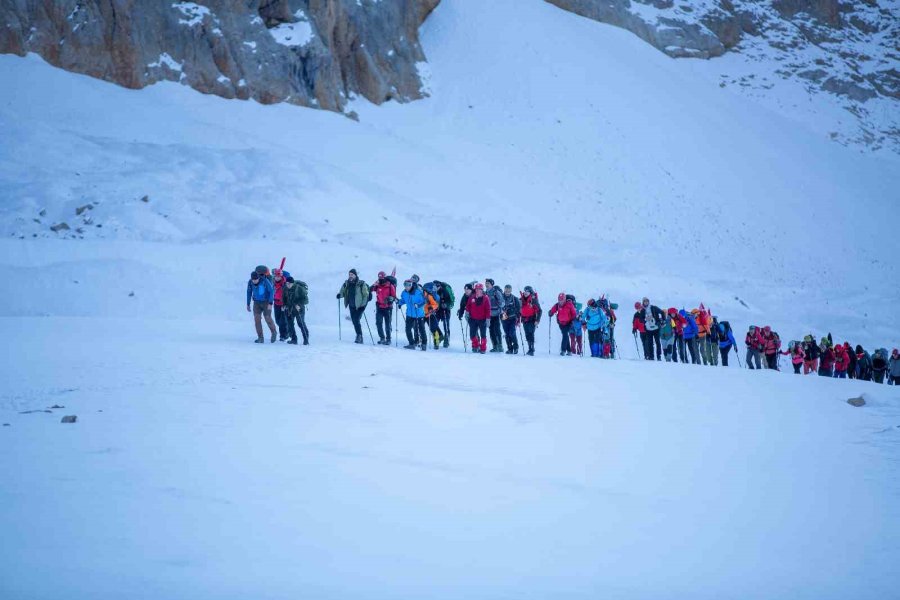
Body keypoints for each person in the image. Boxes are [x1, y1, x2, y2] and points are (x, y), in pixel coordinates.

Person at [336, 269, 370, 344]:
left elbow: (366, 295)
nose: (350, 276)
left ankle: (359, 336)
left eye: (352, 274)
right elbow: (343, 292)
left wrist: (363, 305)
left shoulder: (361, 284)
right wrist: (339, 295)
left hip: (360, 306)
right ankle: (359, 335)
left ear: (355, 275)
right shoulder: (346, 283)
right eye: (349, 274)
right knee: (354, 321)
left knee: (356, 320)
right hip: (351, 306)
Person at [246, 270, 276, 343]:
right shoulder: (250, 282)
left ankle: (274, 332)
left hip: (266, 302)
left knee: (267, 317)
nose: (255, 281)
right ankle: (260, 337)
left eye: (256, 279)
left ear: (258, 278)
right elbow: (249, 292)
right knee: (257, 319)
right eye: (253, 280)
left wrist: (270, 302)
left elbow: (271, 291)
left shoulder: (265, 281)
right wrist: (248, 304)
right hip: (256, 303)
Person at [398, 279, 427, 350]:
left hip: (419, 314)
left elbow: (424, 301)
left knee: (421, 329)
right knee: (407, 329)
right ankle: (412, 343)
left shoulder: (418, 292)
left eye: (408, 285)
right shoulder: (404, 293)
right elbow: (403, 300)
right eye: (405, 285)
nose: (406, 287)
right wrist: (399, 303)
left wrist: (418, 305)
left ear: (411, 285)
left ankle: (424, 344)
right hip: (409, 314)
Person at [369, 271, 396, 345]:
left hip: (388, 307)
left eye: (382, 278)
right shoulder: (377, 285)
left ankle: (388, 339)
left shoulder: (390, 286)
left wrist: (390, 299)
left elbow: (394, 297)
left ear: (385, 278)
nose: (380, 279)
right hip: (379, 307)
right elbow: (370, 289)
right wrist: (375, 284)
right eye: (379, 278)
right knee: (378, 323)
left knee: (387, 324)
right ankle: (382, 338)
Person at [465, 283, 492, 354]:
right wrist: (467, 313)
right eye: (476, 289)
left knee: (483, 335)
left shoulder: (486, 298)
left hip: (482, 319)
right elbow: (468, 306)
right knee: (472, 335)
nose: (478, 290)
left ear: (482, 290)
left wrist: (488, 319)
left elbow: (488, 309)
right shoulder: (472, 297)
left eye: (479, 289)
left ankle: (483, 348)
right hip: (473, 319)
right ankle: (475, 346)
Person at [283, 276, 310, 345]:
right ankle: (293, 339)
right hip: (290, 309)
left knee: (300, 323)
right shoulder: (285, 289)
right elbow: (284, 298)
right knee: (290, 324)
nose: (288, 285)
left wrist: (299, 304)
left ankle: (306, 339)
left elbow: (306, 300)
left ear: (292, 283)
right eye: (286, 283)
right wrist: (284, 305)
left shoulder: (299, 289)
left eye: (289, 284)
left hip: (299, 309)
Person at [520, 286, 542, 356]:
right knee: (527, 334)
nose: (526, 293)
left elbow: (539, 310)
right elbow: (518, 309)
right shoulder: (521, 299)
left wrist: (537, 320)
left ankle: (531, 349)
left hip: (532, 319)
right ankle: (530, 348)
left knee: (531, 333)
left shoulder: (533, 300)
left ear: (530, 292)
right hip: (524, 320)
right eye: (525, 291)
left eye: (527, 291)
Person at [499, 285, 521, 355]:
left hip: (512, 318)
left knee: (512, 333)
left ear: (511, 290)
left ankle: (516, 347)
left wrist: (518, 320)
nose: (507, 292)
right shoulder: (500, 297)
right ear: (504, 290)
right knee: (507, 334)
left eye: (509, 290)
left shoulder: (515, 299)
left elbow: (518, 310)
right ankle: (510, 349)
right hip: (504, 318)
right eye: (506, 290)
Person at [485, 279, 505, 352]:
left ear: (492, 284)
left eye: (488, 283)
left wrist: (499, 306)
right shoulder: (485, 292)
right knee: (491, 331)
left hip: (496, 314)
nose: (486, 284)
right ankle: (495, 346)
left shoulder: (496, 292)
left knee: (497, 330)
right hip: (488, 315)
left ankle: (500, 346)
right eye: (486, 283)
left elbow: (502, 302)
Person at [422, 282, 444, 349]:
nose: (423, 292)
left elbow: (435, 305)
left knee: (433, 329)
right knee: (420, 329)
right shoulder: (420, 295)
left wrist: (431, 307)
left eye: (424, 291)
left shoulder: (429, 296)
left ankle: (436, 342)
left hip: (429, 314)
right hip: (422, 315)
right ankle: (421, 341)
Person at [433, 281, 454, 348]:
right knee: (434, 325)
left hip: (445, 310)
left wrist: (446, 305)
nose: (435, 288)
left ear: (439, 286)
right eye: (434, 287)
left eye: (437, 287)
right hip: (437, 310)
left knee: (446, 326)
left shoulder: (445, 291)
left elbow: (451, 301)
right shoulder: (433, 291)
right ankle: (437, 339)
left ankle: (446, 340)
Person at [272, 268, 289, 341]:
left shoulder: (285, 283)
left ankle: (283, 335)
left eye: (279, 276)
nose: (277, 277)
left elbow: (288, 294)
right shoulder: (273, 283)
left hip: (283, 304)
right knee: (277, 321)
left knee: (282, 321)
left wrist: (285, 304)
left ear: (281, 276)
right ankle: (286, 331)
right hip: (276, 303)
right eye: (276, 276)